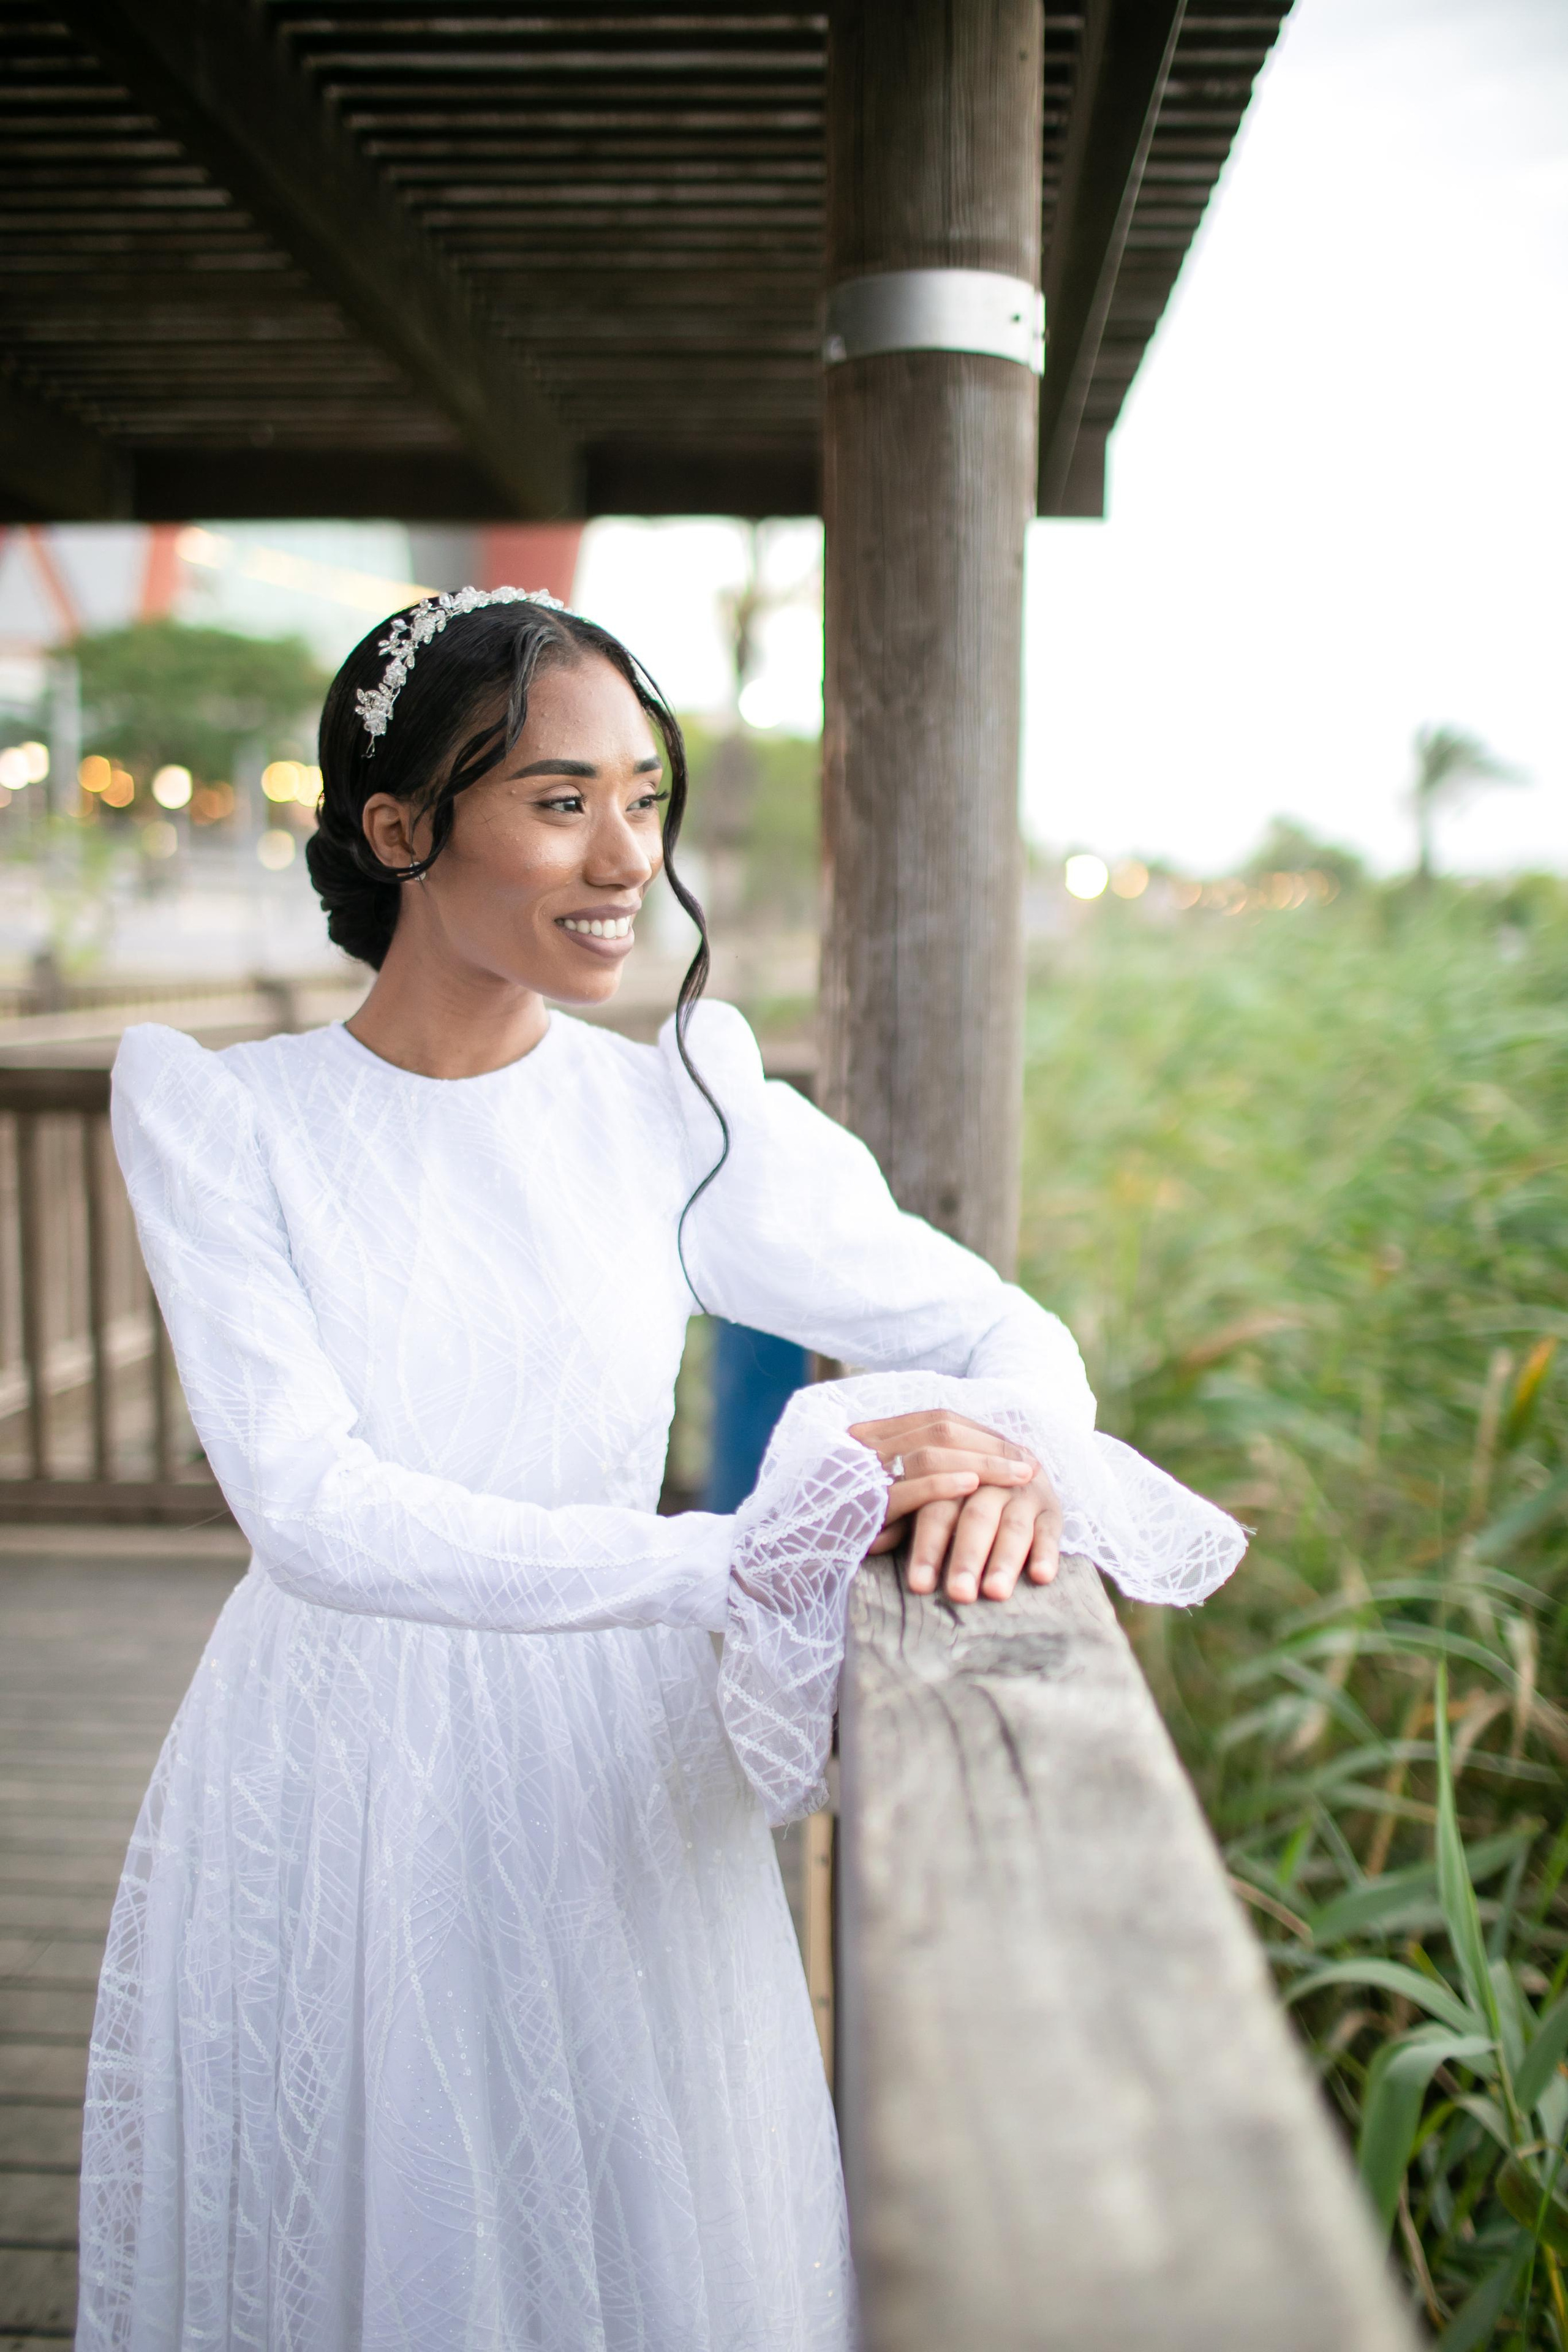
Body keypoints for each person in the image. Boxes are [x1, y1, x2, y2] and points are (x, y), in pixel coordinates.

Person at [77, 588, 1245, 2352]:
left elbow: (1002, 1329)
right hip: (334, 1764)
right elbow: (311, 1510)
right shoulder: (224, 1116)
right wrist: (736, 1558)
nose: (627, 858)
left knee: (637, 2231)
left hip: (612, 1767)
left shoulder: (672, 1113)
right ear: (397, 829)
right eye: (560, 802)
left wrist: (1008, 1458)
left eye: (643, 797)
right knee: (370, 2230)